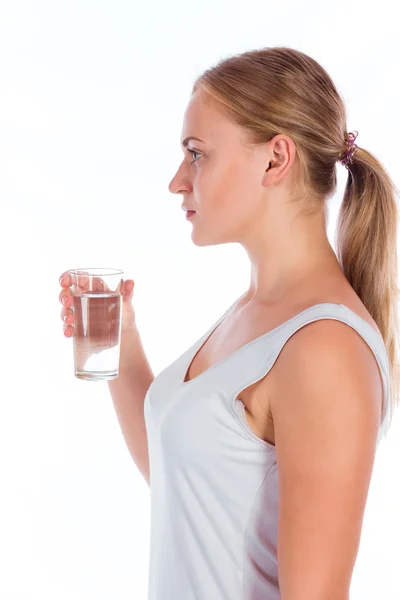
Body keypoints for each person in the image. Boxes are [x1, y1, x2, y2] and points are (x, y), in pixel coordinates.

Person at [59, 46, 399, 599]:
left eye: (197, 153)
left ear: (274, 160)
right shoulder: (254, 311)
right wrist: (120, 339)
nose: (177, 180)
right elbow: (188, 480)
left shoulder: (324, 349)